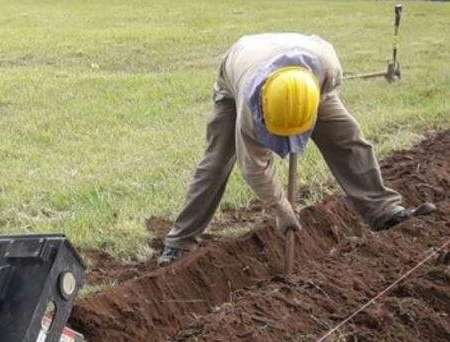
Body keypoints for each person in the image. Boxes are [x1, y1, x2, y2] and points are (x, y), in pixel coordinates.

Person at [157, 33, 435, 266]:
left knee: (349, 139)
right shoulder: (248, 106)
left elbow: (326, 115)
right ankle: (179, 243)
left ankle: (385, 212)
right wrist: (280, 208)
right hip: (240, 74)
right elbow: (254, 165)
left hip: (305, 83)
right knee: (217, 162)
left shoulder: (328, 70)